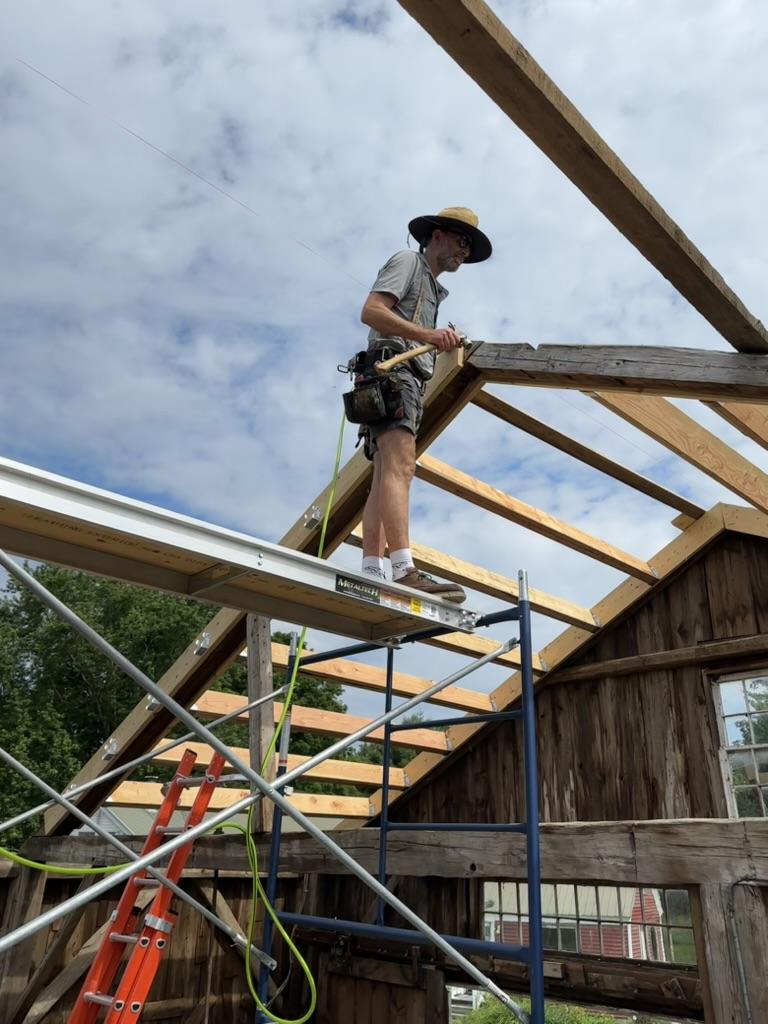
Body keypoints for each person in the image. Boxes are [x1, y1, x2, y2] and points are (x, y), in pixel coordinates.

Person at [358, 206, 492, 603]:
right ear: (436, 236)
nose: (464, 252)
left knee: (385, 471)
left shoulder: (432, 287)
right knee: (400, 467)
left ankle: (371, 570)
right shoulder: (408, 262)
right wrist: (427, 335)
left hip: (397, 377)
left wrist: (436, 339)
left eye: (468, 247)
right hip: (391, 374)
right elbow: (372, 312)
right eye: (460, 240)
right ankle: (403, 569)